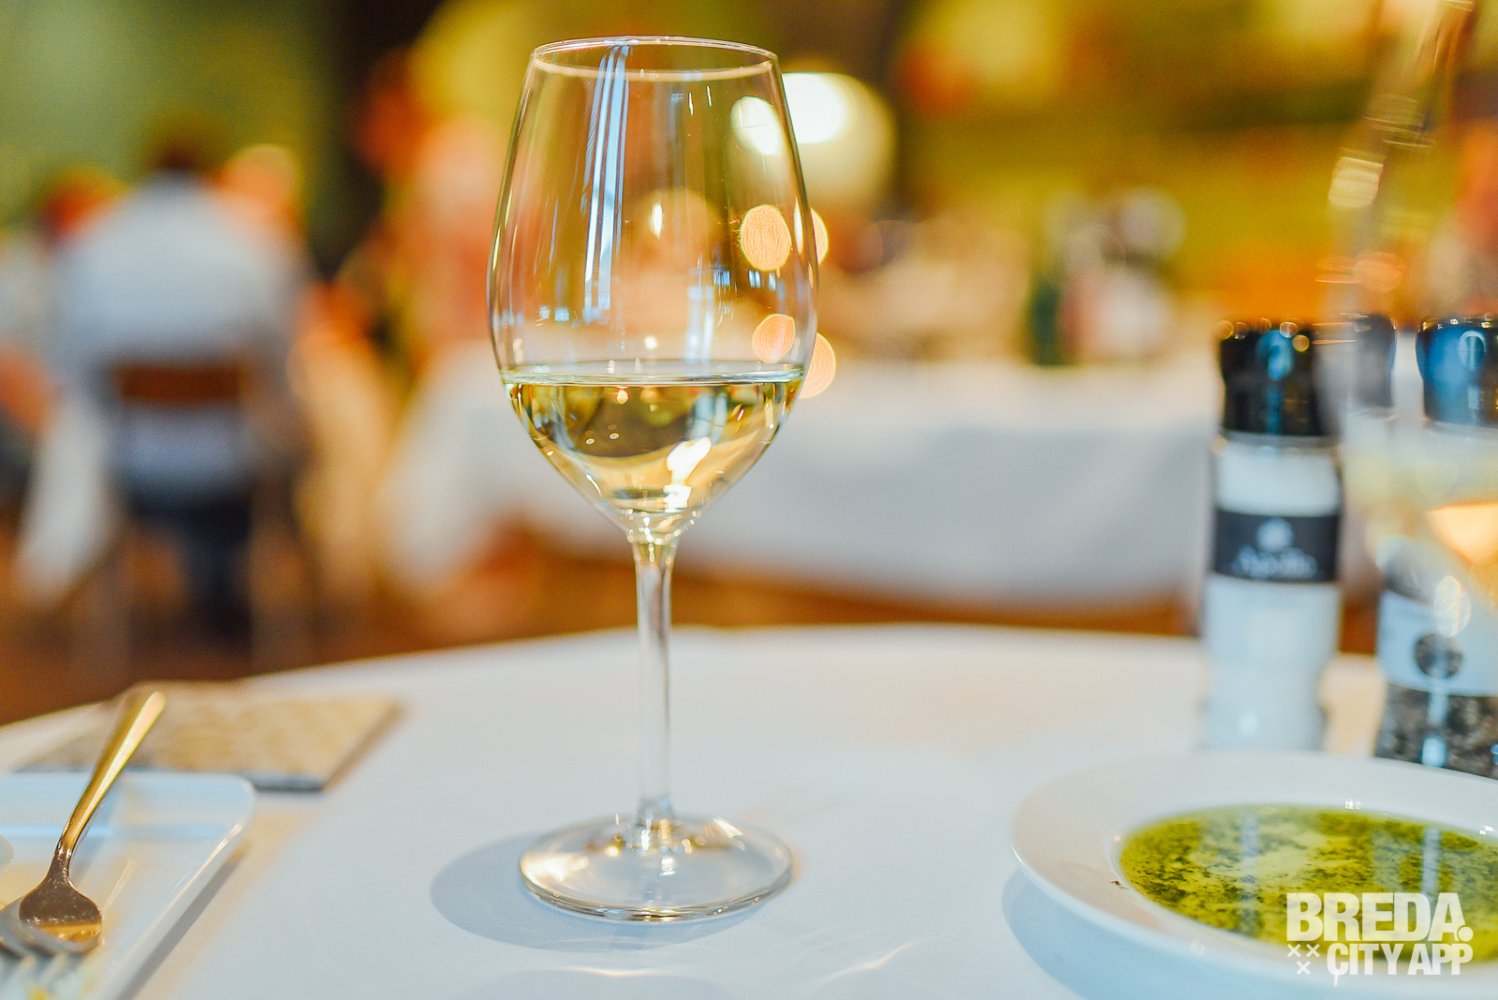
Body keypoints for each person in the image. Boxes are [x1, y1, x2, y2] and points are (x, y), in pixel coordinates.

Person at [51, 126, 309, 636]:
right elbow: (283, 357)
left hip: (130, 461)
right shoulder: (255, 240)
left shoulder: (95, 242)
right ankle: (296, 602)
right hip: (237, 463)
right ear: (208, 175)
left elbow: (73, 368)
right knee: (310, 443)